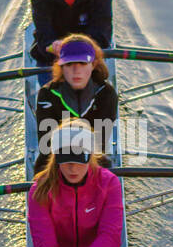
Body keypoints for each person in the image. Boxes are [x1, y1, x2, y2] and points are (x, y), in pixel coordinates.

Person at [28, 119, 125, 247]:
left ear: (90, 156)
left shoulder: (109, 183)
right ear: (56, 157)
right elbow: (44, 245)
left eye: (79, 159)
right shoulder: (39, 191)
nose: (73, 168)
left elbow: (110, 238)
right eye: (66, 159)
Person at [34, 34, 118, 168]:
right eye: (69, 64)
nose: (76, 71)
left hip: (92, 160)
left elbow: (98, 143)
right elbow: (47, 144)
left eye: (83, 63)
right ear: (61, 67)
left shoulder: (106, 93)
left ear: (94, 64)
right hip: (54, 162)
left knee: (103, 162)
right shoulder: (47, 94)